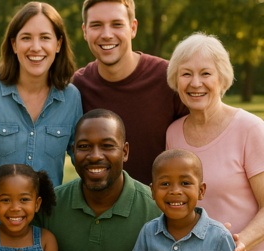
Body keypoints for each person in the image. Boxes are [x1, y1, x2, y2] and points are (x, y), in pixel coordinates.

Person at [0, 1, 82, 238]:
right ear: (14, 44)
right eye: (26, 38)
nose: (36, 47)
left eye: (45, 38)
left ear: (58, 44)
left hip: (44, 234)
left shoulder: (72, 98)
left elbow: (83, 161)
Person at [166, 32, 264, 251]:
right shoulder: (173, 133)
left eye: (206, 73)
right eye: (186, 74)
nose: (195, 83)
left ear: (222, 79)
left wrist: (238, 245)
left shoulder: (251, 129)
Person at [33, 109, 160, 251]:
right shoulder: (49, 205)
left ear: (124, 152)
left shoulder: (155, 209)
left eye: (107, 146)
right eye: (84, 147)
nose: (95, 156)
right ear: (73, 151)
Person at [72, 0, 189, 185]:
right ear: (85, 32)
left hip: (161, 208)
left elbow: (207, 133)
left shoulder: (169, 79)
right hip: (102, 209)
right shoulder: (78, 86)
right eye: (96, 25)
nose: (107, 34)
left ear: (133, 28)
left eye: (117, 24)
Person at [131, 149, 247, 251]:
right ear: (152, 191)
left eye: (185, 183)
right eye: (165, 183)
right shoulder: (148, 233)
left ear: (201, 190)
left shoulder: (218, 237)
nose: (175, 191)